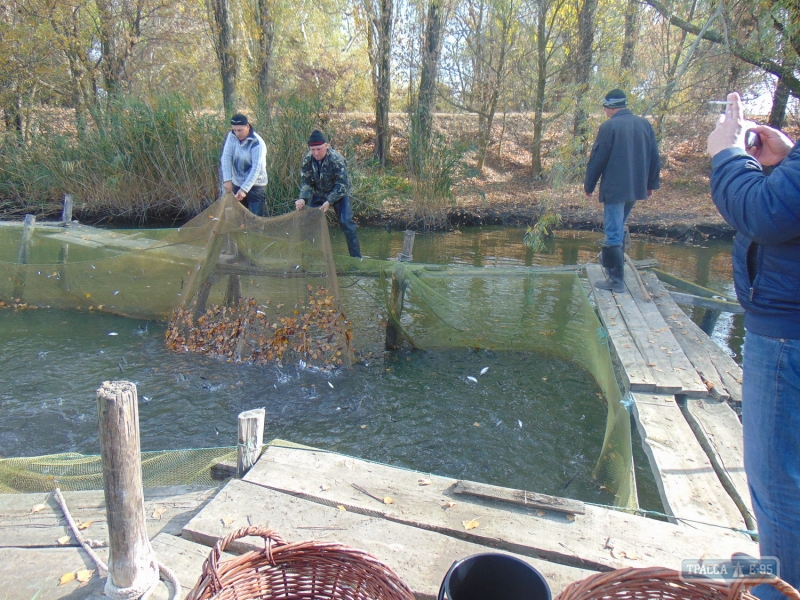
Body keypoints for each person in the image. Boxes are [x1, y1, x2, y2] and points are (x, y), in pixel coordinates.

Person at [707, 91, 799, 599]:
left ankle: (775, 589)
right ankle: (776, 565)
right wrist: (790, 157)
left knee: (777, 479)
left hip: (787, 332)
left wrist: (727, 154)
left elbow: (764, 212)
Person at [584, 89, 661, 292]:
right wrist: (651, 184)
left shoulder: (609, 126)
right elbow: (654, 156)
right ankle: (611, 265)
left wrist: (589, 186)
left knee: (613, 231)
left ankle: (615, 280)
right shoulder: (644, 124)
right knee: (618, 226)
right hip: (636, 187)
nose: (604, 111)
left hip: (616, 189)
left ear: (609, 108)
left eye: (605, 108)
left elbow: (598, 158)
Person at [295, 130, 362, 258]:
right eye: (312, 149)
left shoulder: (336, 159)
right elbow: (307, 183)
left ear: (326, 146)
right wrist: (303, 198)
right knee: (307, 223)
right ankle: (307, 258)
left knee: (346, 223)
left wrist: (330, 201)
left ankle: (357, 259)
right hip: (319, 193)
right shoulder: (308, 160)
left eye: (319, 149)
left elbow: (342, 184)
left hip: (340, 194)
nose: (315, 153)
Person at [220, 113, 268, 216]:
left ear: (247, 126)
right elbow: (226, 157)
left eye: (240, 130)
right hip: (237, 183)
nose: (237, 133)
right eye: (234, 130)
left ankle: (256, 233)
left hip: (256, 185)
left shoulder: (257, 143)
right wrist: (227, 179)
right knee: (238, 219)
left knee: (255, 221)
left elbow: (257, 168)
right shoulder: (231, 136)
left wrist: (244, 189)